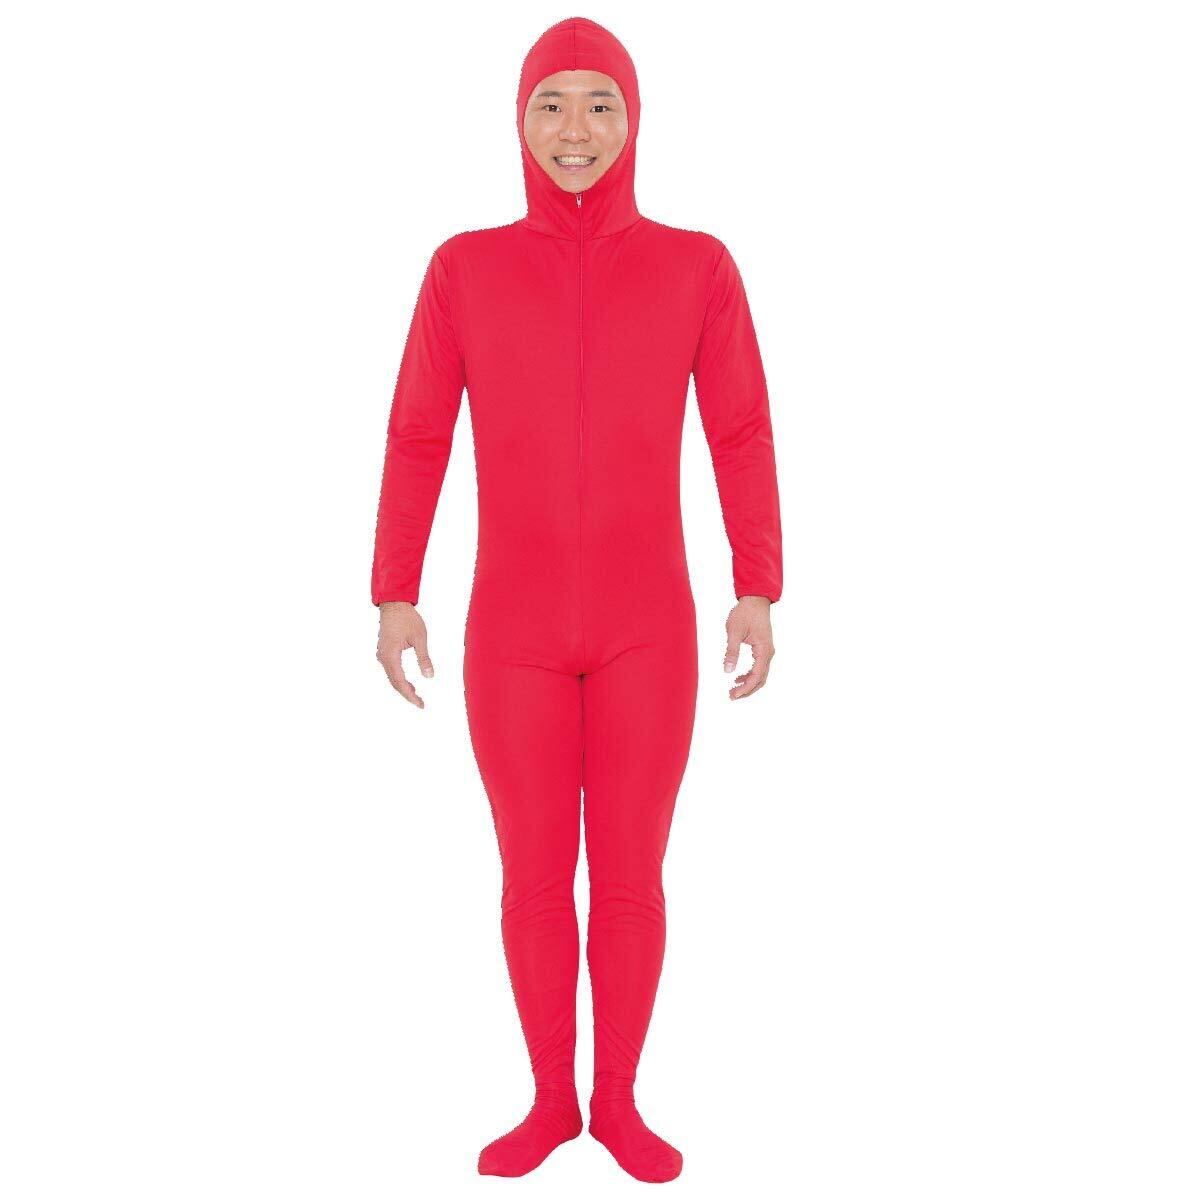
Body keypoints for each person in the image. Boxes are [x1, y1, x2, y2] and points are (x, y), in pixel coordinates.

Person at [371, 16, 783, 1184]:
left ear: (635, 121)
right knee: (535, 879)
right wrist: (395, 590)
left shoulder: (698, 267)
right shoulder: (463, 269)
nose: (576, 130)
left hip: (650, 627)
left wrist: (758, 583)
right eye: (551, 103)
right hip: (513, 634)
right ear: (517, 120)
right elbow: (417, 434)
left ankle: (620, 1103)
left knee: (634, 878)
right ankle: (552, 1101)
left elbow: (740, 428)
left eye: (602, 104)